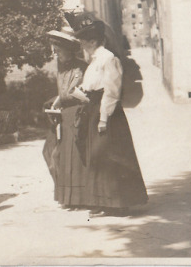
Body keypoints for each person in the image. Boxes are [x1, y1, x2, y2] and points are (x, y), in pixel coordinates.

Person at [68, 14, 148, 217]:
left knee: (111, 155)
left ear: (93, 41)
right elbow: (91, 88)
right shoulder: (94, 60)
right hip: (94, 109)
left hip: (108, 114)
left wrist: (104, 118)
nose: (81, 45)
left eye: (83, 41)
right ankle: (104, 202)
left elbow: (112, 91)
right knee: (97, 157)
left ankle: (120, 203)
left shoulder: (108, 59)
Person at [42, 27, 88, 209]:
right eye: (55, 50)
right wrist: (55, 102)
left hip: (78, 114)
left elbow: (80, 92)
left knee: (72, 156)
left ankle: (76, 198)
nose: (56, 54)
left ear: (69, 50)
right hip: (62, 115)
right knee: (51, 152)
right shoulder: (60, 67)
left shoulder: (82, 67)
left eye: (59, 50)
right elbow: (62, 92)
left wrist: (63, 99)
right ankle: (66, 196)